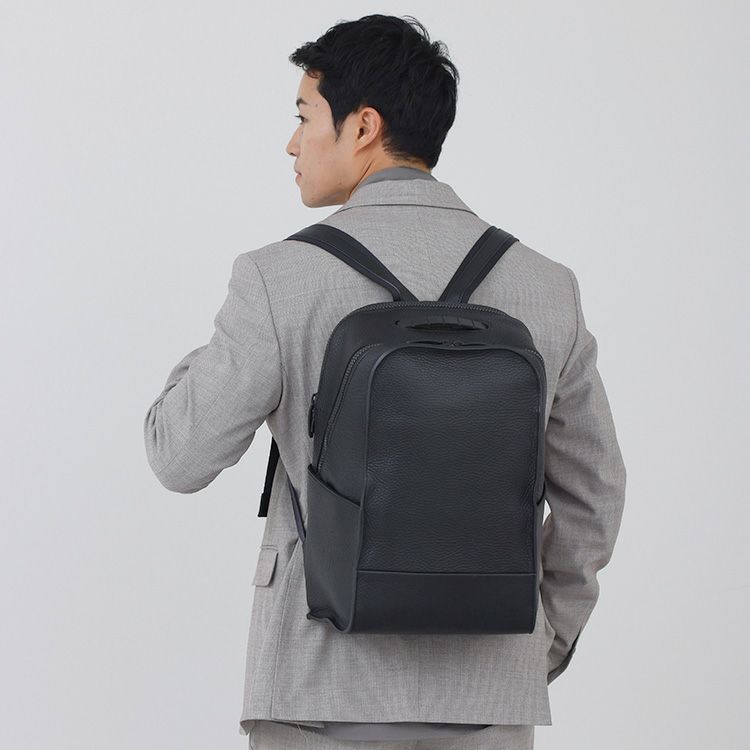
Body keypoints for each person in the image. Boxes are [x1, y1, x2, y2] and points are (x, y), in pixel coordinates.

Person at [143, 13, 626, 750]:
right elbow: (596, 494)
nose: (292, 142)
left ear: (363, 126)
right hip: (488, 699)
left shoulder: (277, 278)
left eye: (304, 116)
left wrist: (212, 349)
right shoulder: (545, 286)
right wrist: (535, 642)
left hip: (318, 690)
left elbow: (179, 456)